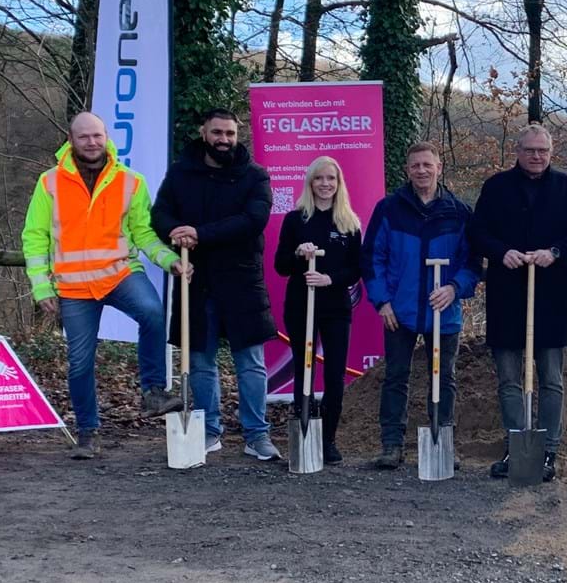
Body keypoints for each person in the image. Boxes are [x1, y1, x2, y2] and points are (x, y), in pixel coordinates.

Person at [21, 112, 188, 459]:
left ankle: (153, 392)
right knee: (80, 363)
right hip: (74, 287)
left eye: (97, 135)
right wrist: (41, 287)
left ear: (106, 136)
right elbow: (34, 238)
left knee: (153, 312)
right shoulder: (49, 182)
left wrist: (168, 259)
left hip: (119, 274)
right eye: (84, 137)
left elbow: (143, 233)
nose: (92, 142)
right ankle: (87, 432)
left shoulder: (131, 181)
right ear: (71, 139)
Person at [151, 108, 281, 460]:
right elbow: (160, 214)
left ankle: (257, 435)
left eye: (230, 133)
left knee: (251, 362)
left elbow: (253, 220)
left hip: (242, 281)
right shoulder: (180, 173)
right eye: (217, 133)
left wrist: (199, 234)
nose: (224, 139)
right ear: (203, 132)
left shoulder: (255, 176)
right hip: (197, 280)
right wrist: (175, 233)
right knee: (200, 360)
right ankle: (209, 431)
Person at [469, 124, 567, 482]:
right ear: (517, 151)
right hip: (507, 294)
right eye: (530, 150)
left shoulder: (566, 187)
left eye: (543, 151)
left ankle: (549, 449)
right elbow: (477, 232)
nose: (536, 156)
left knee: (551, 378)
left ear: (551, 153)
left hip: (550, 294)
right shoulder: (496, 187)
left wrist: (555, 252)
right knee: (509, 378)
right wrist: (500, 251)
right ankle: (516, 444)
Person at [361, 142, 481, 469]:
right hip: (399, 312)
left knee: (444, 379)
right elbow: (372, 258)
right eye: (415, 166)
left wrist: (455, 289)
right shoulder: (389, 209)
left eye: (427, 165)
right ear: (407, 170)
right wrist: (382, 301)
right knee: (396, 376)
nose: (422, 171)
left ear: (439, 167)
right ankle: (392, 445)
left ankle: (443, 441)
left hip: (445, 312)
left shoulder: (459, 212)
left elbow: (473, 262)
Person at [274, 156, 363, 466]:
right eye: (319, 179)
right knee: (305, 370)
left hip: (336, 308)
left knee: (335, 374)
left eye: (331, 179)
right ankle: (304, 432)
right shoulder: (295, 219)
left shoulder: (349, 222)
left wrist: (330, 279)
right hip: (301, 305)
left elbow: (355, 269)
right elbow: (281, 265)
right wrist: (300, 254)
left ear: (339, 184)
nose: (325, 184)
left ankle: (328, 440)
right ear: (310, 182)